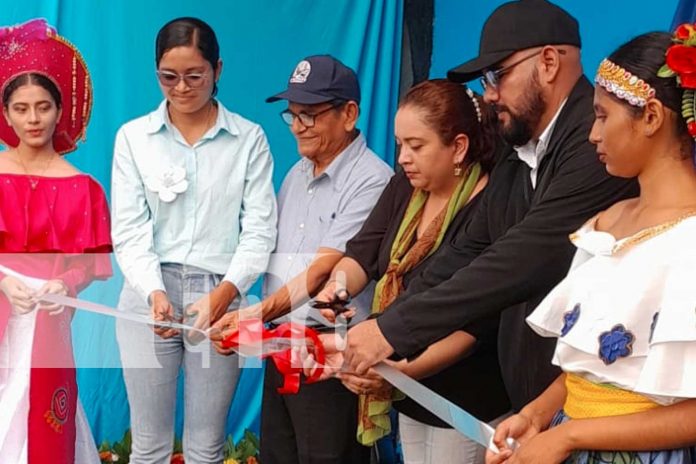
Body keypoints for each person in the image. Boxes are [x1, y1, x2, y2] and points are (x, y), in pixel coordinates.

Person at [341, 0, 639, 414]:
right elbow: (467, 252)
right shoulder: (514, 151)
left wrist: (394, 328)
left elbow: (526, 255)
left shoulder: (597, 150)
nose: (490, 94)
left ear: (549, 62)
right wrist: (382, 327)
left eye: (497, 74)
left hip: (588, 406)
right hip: (532, 400)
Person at [486, 29, 696, 464]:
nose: (592, 135)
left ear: (652, 117)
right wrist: (537, 414)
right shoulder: (607, 224)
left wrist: (569, 437)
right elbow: (594, 363)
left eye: (602, 116)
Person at [312, 79, 509, 464]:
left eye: (416, 146)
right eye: (400, 144)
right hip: (407, 387)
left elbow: (473, 326)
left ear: (459, 147)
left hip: (465, 396)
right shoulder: (404, 187)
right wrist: (336, 288)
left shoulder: (488, 207)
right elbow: (362, 252)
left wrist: (392, 370)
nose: (402, 157)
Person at [111, 17, 277, 464]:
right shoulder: (133, 138)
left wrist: (225, 295)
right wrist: (154, 291)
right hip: (150, 299)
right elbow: (128, 229)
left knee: (206, 444)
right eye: (169, 77)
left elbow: (260, 228)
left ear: (218, 70)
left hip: (220, 298)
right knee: (148, 444)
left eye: (194, 76)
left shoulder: (248, 140)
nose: (181, 88)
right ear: (156, 73)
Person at [212, 54, 392, 464]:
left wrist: (251, 317)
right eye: (292, 115)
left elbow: (322, 272)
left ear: (349, 114)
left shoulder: (372, 180)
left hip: (330, 358)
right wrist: (247, 327)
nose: (298, 126)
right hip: (283, 350)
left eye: (310, 115)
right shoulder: (296, 174)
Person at [0, 19, 112, 464]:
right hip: (5, 310)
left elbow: (88, 264)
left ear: (60, 110)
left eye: (43, 107)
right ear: (5, 113)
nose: (33, 119)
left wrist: (65, 284)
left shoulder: (83, 187)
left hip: (47, 319)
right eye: (21, 108)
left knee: (44, 416)